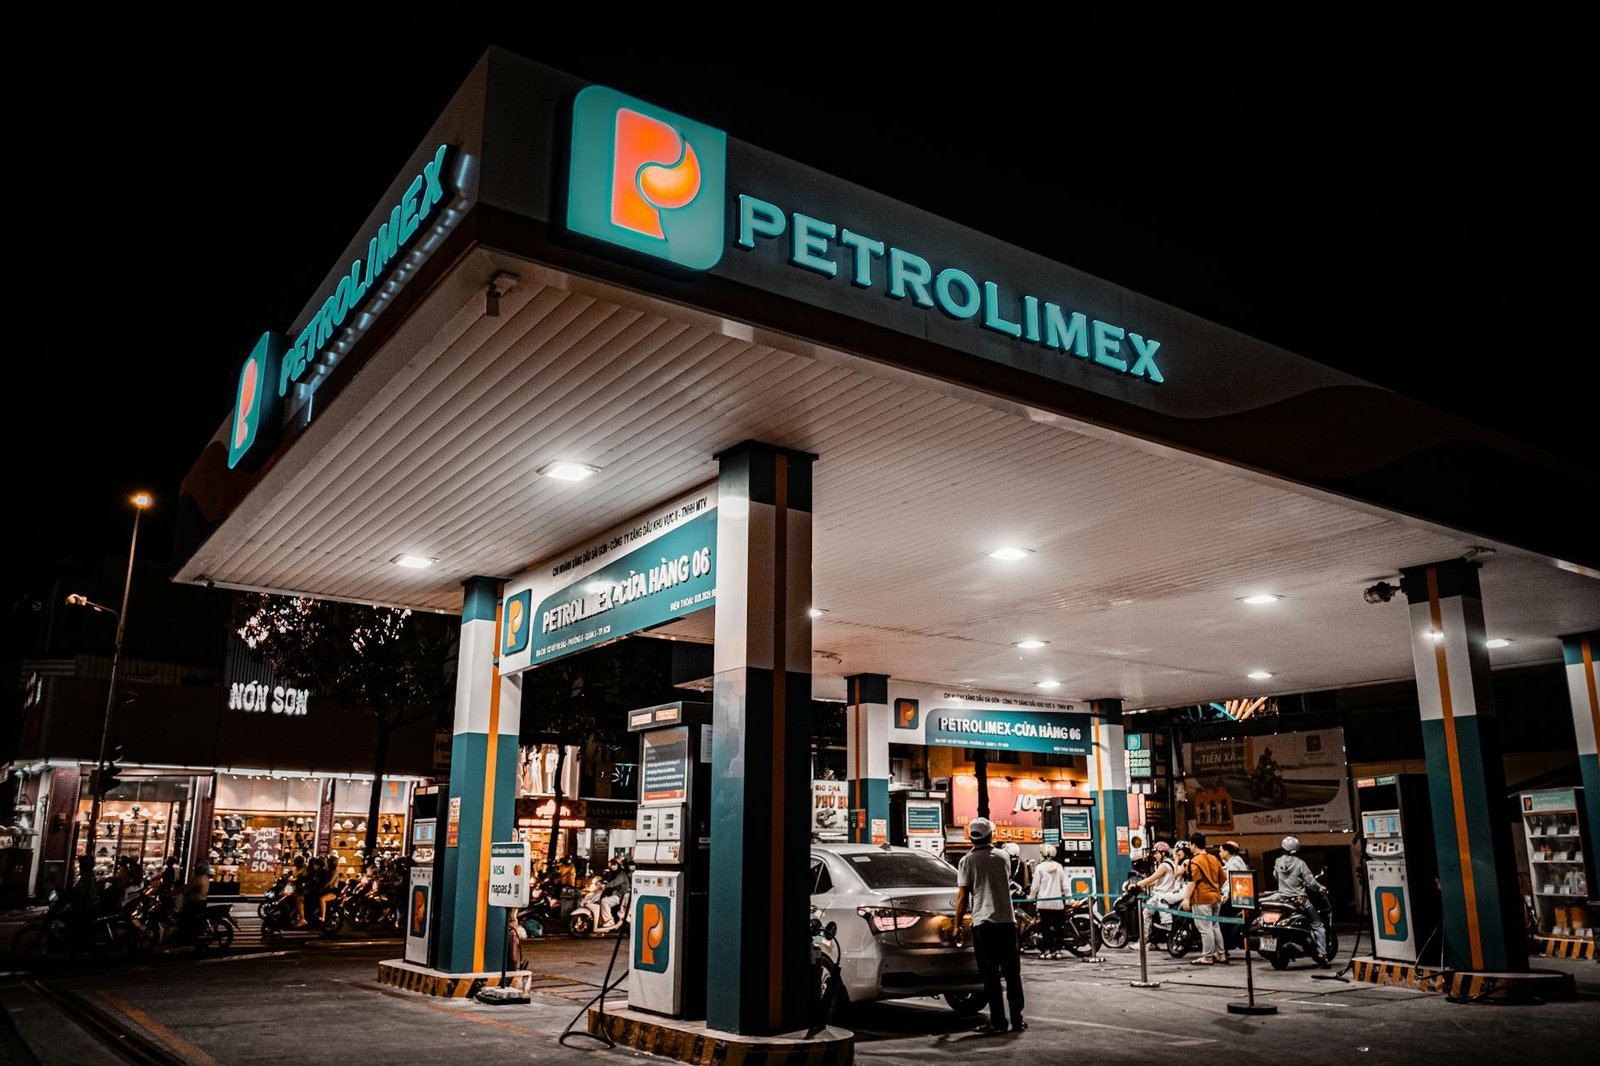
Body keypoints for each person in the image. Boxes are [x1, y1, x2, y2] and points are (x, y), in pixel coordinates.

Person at [954, 817, 1025, 1034]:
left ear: (970, 837)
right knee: (1012, 974)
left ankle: (998, 1021)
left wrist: (957, 924)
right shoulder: (1003, 857)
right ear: (991, 835)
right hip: (1007, 922)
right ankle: (1017, 1019)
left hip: (983, 924)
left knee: (991, 976)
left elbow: (962, 896)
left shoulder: (967, 861)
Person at [1273, 836, 1328, 965]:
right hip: (1299, 900)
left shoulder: (1278, 861)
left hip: (1282, 899)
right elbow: (1311, 882)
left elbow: (1276, 875)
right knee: (1318, 924)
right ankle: (1322, 953)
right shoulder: (1300, 863)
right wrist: (1321, 888)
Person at [1180, 832, 1227, 965]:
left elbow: (1192, 882)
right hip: (1216, 897)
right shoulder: (1214, 858)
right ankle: (1221, 955)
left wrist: (1186, 899)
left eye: (1190, 845)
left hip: (1202, 899)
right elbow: (1223, 878)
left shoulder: (1194, 861)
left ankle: (1207, 957)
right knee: (1214, 926)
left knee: (1205, 928)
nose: (1189, 847)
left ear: (1194, 845)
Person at [1133, 841, 1180, 943]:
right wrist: (1146, 884)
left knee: (1146, 913)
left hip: (1160, 895)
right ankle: (1153, 940)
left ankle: (1143, 941)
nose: (1155, 856)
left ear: (1163, 853)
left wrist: (1137, 884)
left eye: (1156, 853)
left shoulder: (1164, 865)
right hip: (1166, 893)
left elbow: (1152, 878)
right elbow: (1158, 880)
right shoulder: (1171, 864)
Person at [1028, 845, 1067, 959]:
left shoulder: (1040, 867)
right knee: (1058, 927)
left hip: (1043, 902)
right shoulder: (1059, 867)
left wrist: (1031, 897)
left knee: (1045, 927)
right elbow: (1065, 885)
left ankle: (1047, 951)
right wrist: (1069, 899)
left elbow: (1035, 886)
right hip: (1057, 902)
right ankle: (1058, 951)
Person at [1219, 840, 1249, 960]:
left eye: (1221, 851)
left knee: (1221, 918)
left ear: (1227, 852)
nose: (1220, 854)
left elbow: (1234, 880)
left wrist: (1227, 894)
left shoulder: (1234, 863)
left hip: (1235, 895)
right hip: (1238, 894)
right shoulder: (1234, 861)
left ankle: (1224, 947)